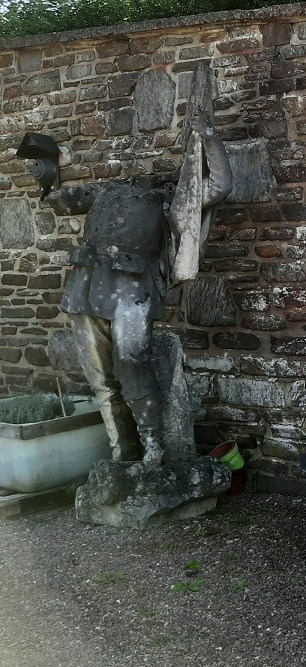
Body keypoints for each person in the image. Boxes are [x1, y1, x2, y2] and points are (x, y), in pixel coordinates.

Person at [46, 65, 232, 465]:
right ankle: (121, 450)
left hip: (133, 290)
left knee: (131, 362)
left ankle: (152, 443)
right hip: (85, 286)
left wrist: (210, 138)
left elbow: (218, 187)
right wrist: (48, 174)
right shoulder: (103, 192)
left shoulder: (169, 201)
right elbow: (61, 199)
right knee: (99, 379)